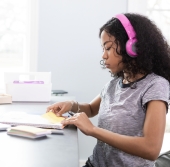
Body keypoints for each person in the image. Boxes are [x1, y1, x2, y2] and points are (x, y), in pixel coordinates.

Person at [46, 13, 170, 167]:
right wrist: (71, 105)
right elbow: (91, 109)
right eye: (103, 49)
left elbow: (151, 149)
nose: (103, 55)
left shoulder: (155, 86)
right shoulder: (115, 83)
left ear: (132, 47)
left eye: (108, 48)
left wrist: (93, 130)